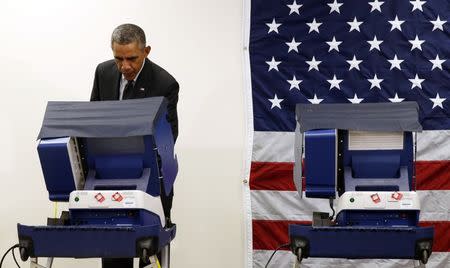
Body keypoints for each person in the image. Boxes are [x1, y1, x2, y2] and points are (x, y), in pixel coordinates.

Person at [90, 23, 178, 268]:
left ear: (146, 51)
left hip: (150, 181)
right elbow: (93, 125)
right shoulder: (103, 72)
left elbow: (169, 137)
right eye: (118, 58)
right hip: (109, 182)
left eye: (132, 58)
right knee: (113, 256)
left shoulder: (164, 83)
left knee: (149, 258)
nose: (124, 66)